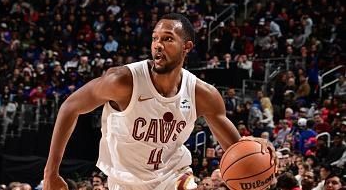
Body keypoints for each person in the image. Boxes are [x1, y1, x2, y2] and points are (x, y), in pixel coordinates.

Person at [44, 13, 275, 190]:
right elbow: (70, 107)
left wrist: (256, 155)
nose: (158, 44)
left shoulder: (202, 94)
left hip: (174, 175)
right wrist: (51, 173)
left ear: (187, 47)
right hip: (125, 181)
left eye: (167, 38)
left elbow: (238, 151)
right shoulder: (122, 81)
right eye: (155, 38)